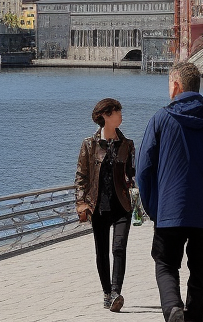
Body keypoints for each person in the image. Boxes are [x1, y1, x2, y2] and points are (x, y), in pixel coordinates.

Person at [136, 61, 203, 322]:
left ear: (176, 86)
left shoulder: (161, 119)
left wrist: (154, 207)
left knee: (165, 265)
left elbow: (143, 170)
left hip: (169, 211)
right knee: (200, 272)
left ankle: (173, 308)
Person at [75, 97, 136, 313]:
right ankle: (107, 294)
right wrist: (81, 203)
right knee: (101, 252)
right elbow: (81, 176)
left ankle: (116, 292)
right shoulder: (89, 145)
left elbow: (132, 174)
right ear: (105, 116)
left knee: (119, 248)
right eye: (117, 112)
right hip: (98, 206)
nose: (121, 116)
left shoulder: (127, 145)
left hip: (122, 206)